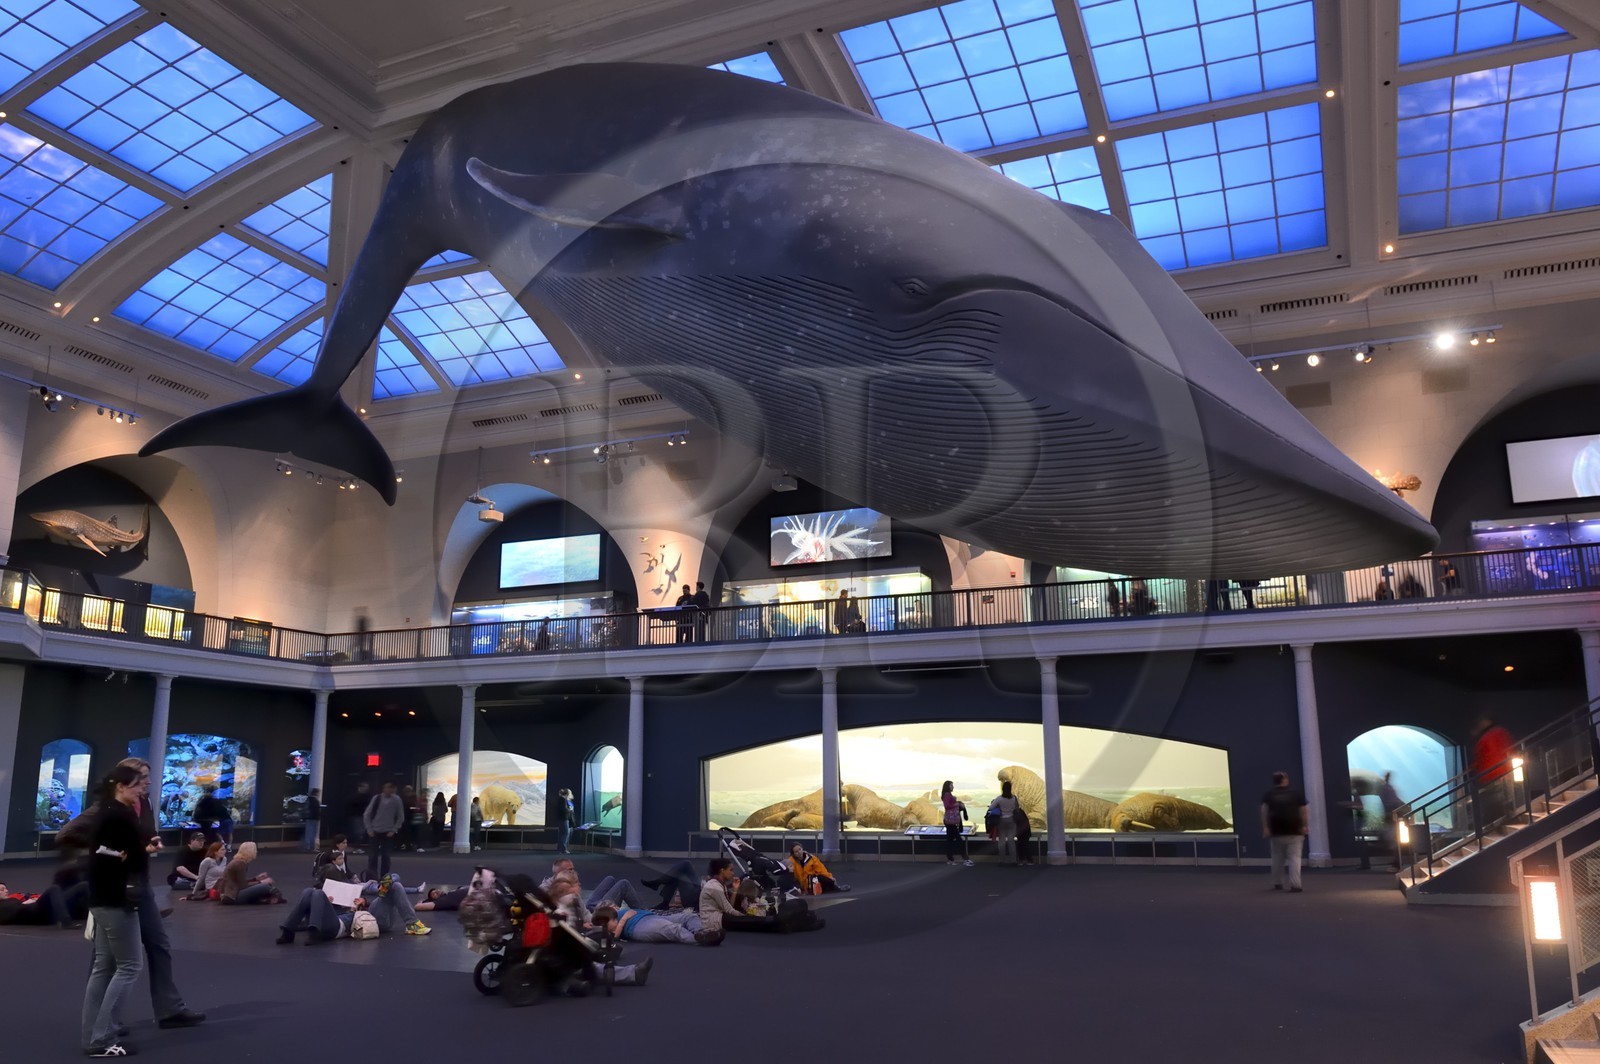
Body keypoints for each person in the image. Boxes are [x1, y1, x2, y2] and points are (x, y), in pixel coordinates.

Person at [115, 758, 205, 1030]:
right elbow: (76, 837)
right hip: (115, 886)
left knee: (159, 944)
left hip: (140, 885)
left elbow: (148, 832)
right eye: (143, 776)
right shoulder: (109, 808)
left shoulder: (148, 803)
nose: (149, 782)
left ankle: (169, 1009)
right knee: (107, 957)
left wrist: (151, 841)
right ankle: (105, 1020)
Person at [81, 764, 146, 1058]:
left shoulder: (107, 812)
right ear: (121, 785)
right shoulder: (117, 815)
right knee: (130, 966)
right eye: (136, 785)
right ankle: (102, 1037)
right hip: (116, 899)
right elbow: (113, 857)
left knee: (104, 968)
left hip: (103, 898)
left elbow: (109, 854)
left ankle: (95, 1035)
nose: (141, 789)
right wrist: (134, 855)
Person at [1261, 771, 1308, 893]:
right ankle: (1296, 885)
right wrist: (1304, 825)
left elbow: (1264, 812)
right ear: (1285, 779)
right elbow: (1303, 810)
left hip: (1276, 831)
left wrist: (1266, 827)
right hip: (1295, 830)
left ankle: (1277, 882)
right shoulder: (1296, 794)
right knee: (1294, 858)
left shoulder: (1269, 795)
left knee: (1277, 858)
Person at [593, 901, 710, 945]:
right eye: (611, 906)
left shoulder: (617, 912)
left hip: (650, 916)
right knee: (673, 929)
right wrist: (624, 919)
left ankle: (701, 932)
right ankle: (700, 939)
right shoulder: (610, 924)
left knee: (689, 917)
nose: (614, 907)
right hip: (639, 926)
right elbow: (614, 937)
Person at [1472, 716, 1516, 831]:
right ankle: (1503, 820)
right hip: (1502, 771)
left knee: (1494, 799)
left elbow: (1481, 757)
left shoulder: (1485, 738)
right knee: (1498, 798)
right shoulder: (1500, 732)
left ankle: (1497, 823)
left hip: (1491, 773)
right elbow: (1509, 748)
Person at [219, 842, 284, 904]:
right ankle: (276, 897)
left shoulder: (239, 862)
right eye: (255, 850)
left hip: (231, 894)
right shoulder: (240, 863)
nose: (256, 852)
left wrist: (256, 879)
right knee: (266, 886)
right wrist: (261, 882)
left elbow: (239, 881)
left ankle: (271, 898)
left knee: (264, 886)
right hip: (232, 896)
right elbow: (243, 885)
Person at [364, 780, 405, 876]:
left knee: (386, 857)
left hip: (388, 832)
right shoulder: (377, 798)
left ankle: (384, 878)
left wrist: (394, 829)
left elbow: (400, 816)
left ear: (393, 789)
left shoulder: (397, 800)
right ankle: (371, 877)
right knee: (372, 856)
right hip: (374, 831)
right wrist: (369, 829)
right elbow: (367, 814)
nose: (388, 790)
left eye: (390, 788)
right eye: (386, 787)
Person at [942, 780, 972, 867]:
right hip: (950, 821)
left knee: (950, 841)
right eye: (951, 785)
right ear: (948, 786)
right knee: (959, 841)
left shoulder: (947, 794)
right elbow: (947, 806)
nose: (953, 787)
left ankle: (950, 859)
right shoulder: (947, 795)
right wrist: (957, 804)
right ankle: (965, 859)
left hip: (949, 821)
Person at [991, 780, 1021, 865]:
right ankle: (1013, 860)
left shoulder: (999, 798)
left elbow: (991, 807)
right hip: (1012, 821)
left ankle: (1001, 860)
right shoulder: (1014, 798)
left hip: (1001, 821)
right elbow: (1017, 808)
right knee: (1011, 841)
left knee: (1002, 841)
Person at [345, 782, 371, 847]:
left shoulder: (367, 797)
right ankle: (357, 846)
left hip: (364, 816)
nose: (366, 789)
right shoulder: (355, 797)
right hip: (357, 816)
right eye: (365, 787)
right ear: (360, 787)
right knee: (358, 832)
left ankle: (359, 845)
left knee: (362, 831)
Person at [556, 787, 576, 854]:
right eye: (570, 793)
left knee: (564, 833)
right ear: (567, 794)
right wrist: (569, 810)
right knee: (564, 833)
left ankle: (562, 848)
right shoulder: (562, 800)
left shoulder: (568, 801)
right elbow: (564, 809)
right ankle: (562, 849)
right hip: (564, 818)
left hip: (568, 819)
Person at [302, 788, 322, 853]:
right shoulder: (315, 801)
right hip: (314, 818)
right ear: (316, 793)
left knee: (309, 833)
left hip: (309, 818)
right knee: (313, 833)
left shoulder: (308, 799)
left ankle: (307, 846)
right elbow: (317, 811)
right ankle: (312, 847)